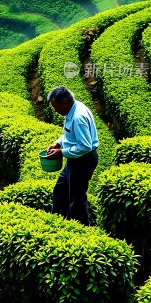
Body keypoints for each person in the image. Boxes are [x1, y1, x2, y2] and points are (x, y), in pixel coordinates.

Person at [46, 86, 99, 226]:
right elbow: (69, 134)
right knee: (60, 191)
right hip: (75, 159)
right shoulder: (72, 109)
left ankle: (81, 231)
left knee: (77, 199)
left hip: (83, 160)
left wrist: (61, 152)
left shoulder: (78, 117)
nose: (55, 110)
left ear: (64, 103)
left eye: (55, 107)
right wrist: (58, 143)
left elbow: (85, 146)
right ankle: (57, 224)